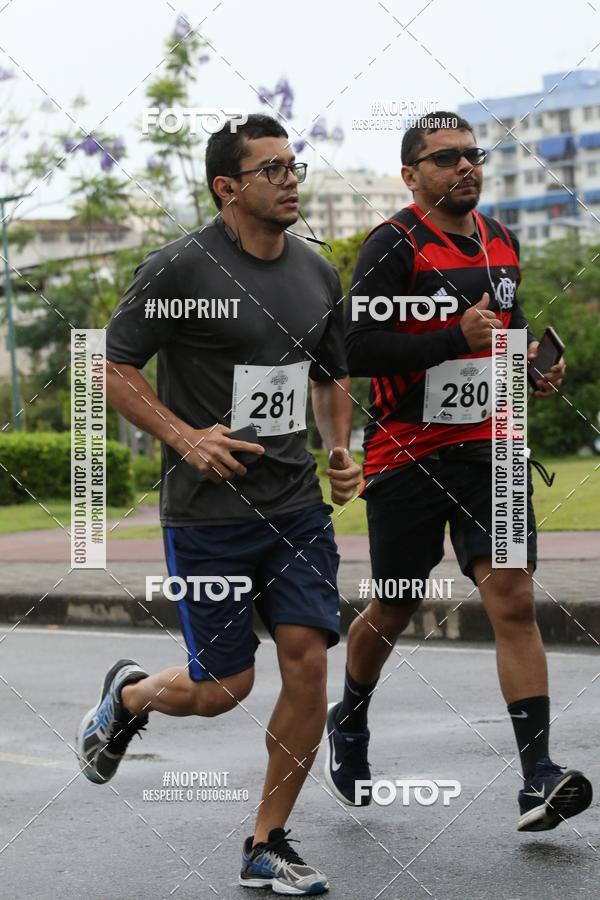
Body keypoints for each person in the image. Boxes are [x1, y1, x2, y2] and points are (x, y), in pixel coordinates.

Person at [76, 113, 361, 895]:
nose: (290, 179)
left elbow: (331, 373)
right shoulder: (181, 270)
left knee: (307, 663)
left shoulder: (317, 272)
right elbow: (113, 366)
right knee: (221, 687)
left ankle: (266, 841)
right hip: (208, 514)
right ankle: (130, 696)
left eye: (294, 165)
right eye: (271, 169)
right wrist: (184, 436)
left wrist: (341, 448)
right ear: (226, 187)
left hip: (296, 506)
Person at [324, 112, 592, 832]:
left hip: (490, 450)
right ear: (412, 176)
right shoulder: (392, 245)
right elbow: (356, 348)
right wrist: (450, 338)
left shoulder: (501, 240)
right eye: (446, 159)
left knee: (511, 596)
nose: (466, 167)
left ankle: (537, 775)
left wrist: (534, 363)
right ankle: (347, 719)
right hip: (407, 454)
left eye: (473, 155)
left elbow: (510, 323)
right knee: (395, 605)